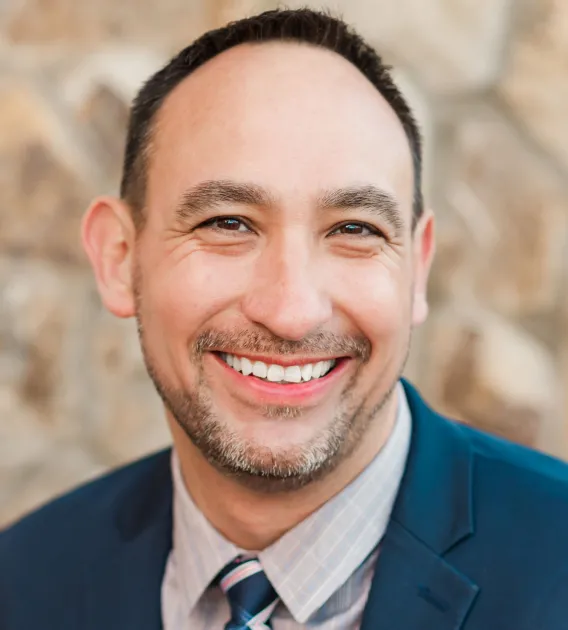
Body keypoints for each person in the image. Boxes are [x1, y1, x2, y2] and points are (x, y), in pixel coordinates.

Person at [1, 8, 568, 630]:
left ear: (417, 269)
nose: (292, 312)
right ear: (119, 258)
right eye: (227, 223)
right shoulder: (24, 581)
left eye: (354, 229)